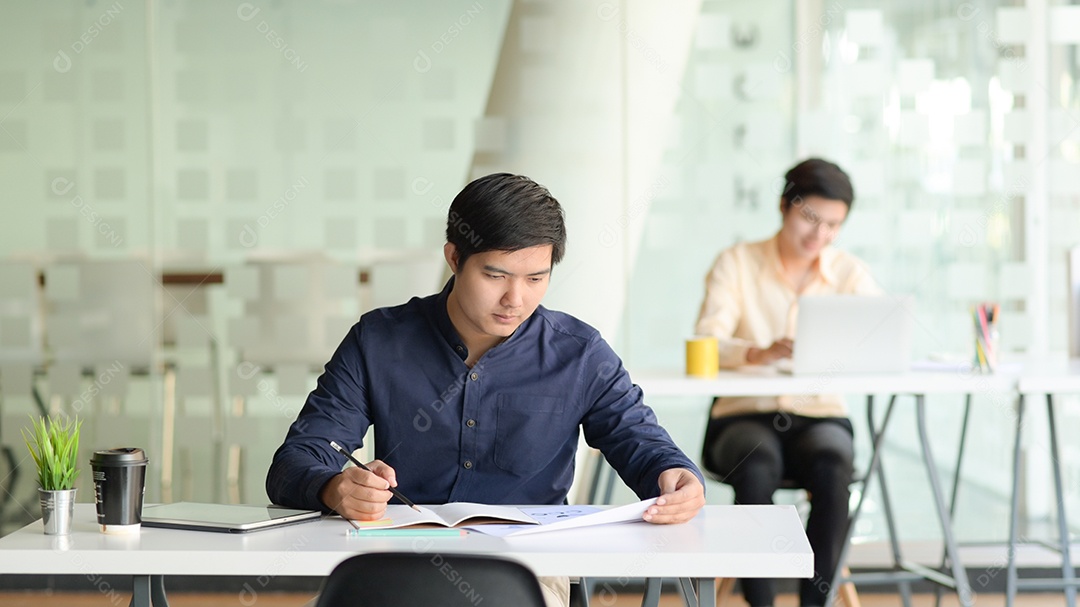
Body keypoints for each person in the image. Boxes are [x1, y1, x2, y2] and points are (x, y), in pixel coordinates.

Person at [268, 172, 706, 607]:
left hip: (528, 570)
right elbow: (295, 461)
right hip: (400, 562)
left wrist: (674, 474)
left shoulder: (579, 353)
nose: (515, 299)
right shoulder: (379, 340)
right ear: (454, 257)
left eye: (535, 279)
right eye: (495, 276)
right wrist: (333, 487)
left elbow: (640, 440)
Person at [694, 158, 879, 607]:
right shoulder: (737, 262)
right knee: (756, 464)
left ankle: (815, 604)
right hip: (744, 413)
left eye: (833, 225)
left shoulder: (849, 274)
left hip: (819, 415)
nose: (820, 234)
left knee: (834, 464)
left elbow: (877, 341)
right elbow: (706, 342)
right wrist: (755, 353)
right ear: (784, 206)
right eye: (810, 218)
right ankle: (761, 602)